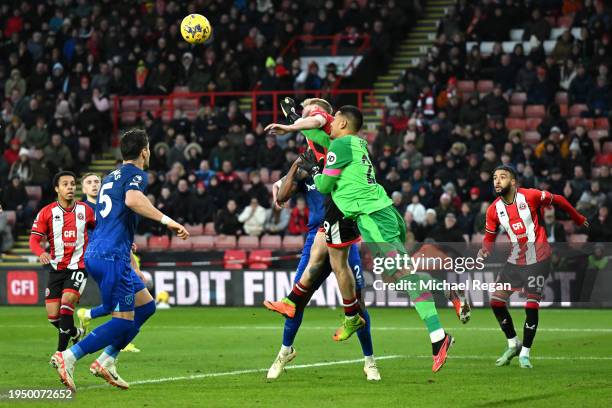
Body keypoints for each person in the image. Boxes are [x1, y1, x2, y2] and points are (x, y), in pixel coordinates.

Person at [275, 105, 463, 372]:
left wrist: (315, 169)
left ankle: (439, 334)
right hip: (385, 212)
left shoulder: (339, 146)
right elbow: (318, 136)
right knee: (396, 275)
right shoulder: (355, 143)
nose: (330, 126)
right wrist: (296, 121)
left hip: (371, 217)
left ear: (341, 124)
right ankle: (443, 310)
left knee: (400, 274)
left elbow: (325, 186)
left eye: (334, 121)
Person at [50, 129, 189, 391]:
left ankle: (106, 361)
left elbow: (109, 217)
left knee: (146, 306)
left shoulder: (111, 176)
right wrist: (168, 222)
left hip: (109, 253)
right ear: (144, 151)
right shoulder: (135, 174)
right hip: (110, 256)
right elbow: (133, 200)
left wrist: (124, 244)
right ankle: (68, 357)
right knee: (122, 320)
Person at [263, 98, 379, 380]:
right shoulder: (306, 161)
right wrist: (293, 169)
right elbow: (281, 198)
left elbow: (312, 123)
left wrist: (292, 124)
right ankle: (284, 352)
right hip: (315, 236)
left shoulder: (339, 151)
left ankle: (370, 360)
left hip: (343, 234)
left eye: (309, 113)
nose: (306, 118)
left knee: (356, 301)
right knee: (296, 301)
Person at [478, 165, 588, 368]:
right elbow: (489, 237)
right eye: (494, 177)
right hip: (515, 260)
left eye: (502, 177)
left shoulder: (530, 196)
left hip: (539, 259)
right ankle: (513, 344)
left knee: (531, 305)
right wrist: (485, 249)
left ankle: (525, 354)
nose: (497, 181)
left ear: (513, 182)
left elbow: (559, 200)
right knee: (496, 302)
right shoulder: (494, 209)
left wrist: (577, 217)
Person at [29, 171, 95, 357]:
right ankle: (77, 332)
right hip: (57, 269)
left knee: (67, 305)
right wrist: (41, 252)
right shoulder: (47, 212)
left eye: (73, 184)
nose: (70, 188)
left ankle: (61, 355)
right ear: (57, 188)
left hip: (78, 267)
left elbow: (102, 231)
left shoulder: (86, 211)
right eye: (65, 184)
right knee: (53, 317)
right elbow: (34, 240)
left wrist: (122, 240)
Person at [77, 173, 141, 353]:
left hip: (118, 256)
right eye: (89, 182)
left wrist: (133, 262)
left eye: (97, 181)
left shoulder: (109, 207)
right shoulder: (83, 209)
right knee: (114, 303)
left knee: (139, 302)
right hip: (101, 258)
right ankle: (112, 334)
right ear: (83, 189)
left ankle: (90, 316)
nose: (94, 185)